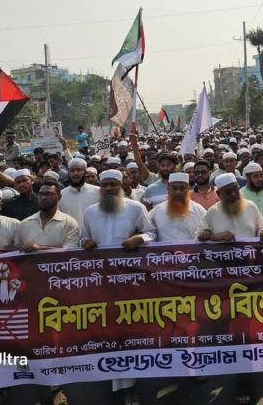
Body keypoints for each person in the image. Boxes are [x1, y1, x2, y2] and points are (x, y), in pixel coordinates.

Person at [197, 172, 263, 405]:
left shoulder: (250, 207)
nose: (233, 195)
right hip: (223, 282)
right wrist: (214, 236)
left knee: (245, 328)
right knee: (226, 328)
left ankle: (244, 379)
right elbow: (200, 238)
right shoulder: (212, 213)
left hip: (250, 280)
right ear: (218, 194)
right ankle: (232, 369)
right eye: (227, 192)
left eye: (235, 190)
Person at [80, 169, 155, 404]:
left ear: (121, 186)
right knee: (108, 330)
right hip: (101, 282)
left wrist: (139, 238)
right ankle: (115, 380)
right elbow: (81, 238)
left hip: (130, 281)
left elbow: (152, 233)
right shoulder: (90, 212)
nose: (109, 189)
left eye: (113, 184)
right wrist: (85, 241)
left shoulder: (136, 208)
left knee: (131, 330)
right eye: (105, 185)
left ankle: (132, 385)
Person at [148, 172, 206, 241]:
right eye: (174, 188)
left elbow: (206, 230)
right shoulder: (156, 211)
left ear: (188, 189)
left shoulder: (198, 210)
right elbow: (149, 233)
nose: (178, 192)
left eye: (182, 188)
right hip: (165, 248)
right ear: (168, 188)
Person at [58, 158, 100, 228]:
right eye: (72, 170)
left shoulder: (98, 192)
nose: (75, 173)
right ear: (68, 173)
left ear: (85, 172)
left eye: (79, 170)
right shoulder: (61, 195)